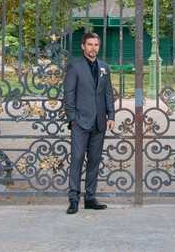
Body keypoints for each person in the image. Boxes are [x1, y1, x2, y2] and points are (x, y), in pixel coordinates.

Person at [63, 31, 115, 215]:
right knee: (77, 160)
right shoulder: (74, 67)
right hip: (80, 122)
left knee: (94, 161)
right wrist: (72, 118)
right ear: (83, 46)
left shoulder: (104, 67)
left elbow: (108, 92)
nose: (93, 48)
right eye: (90, 44)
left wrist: (111, 116)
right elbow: (69, 94)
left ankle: (90, 197)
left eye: (96, 45)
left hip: (99, 122)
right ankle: (74, 199)